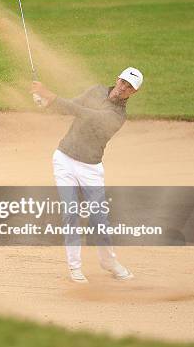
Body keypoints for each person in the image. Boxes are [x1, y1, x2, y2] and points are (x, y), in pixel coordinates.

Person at [30, 67, 143, 283]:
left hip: (90, 168)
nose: (123, 88)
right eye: (123, 82)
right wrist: (45, 103)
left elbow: (84, 114)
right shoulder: (96, 91)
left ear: (133, 93)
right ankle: (75, 268)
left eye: (129, 87)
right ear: (117, 78)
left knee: (99, 218)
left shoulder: (117, 116)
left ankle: (108, 262)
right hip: (64, 159)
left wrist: (49, 95)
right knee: (70, 213)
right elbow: (72, 106)